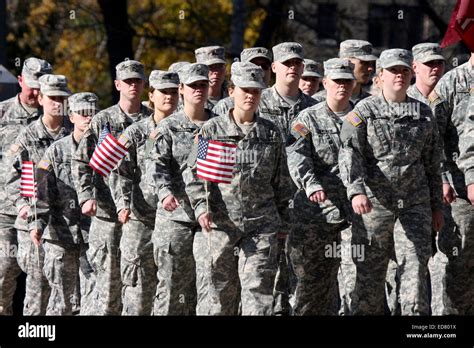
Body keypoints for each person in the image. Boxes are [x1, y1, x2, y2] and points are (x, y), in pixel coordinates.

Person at [339, 49, 443, 315]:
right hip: (375, 205)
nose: (400, 75)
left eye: (404, 70)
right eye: (394, 70)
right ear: (380, 75)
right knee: (370, 276)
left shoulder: (423, 113)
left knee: (416, 269)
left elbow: (432, 163)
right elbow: (350, 153)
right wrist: (356, 191)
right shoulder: (362, 112)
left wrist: (436, 207)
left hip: (414, 205)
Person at [184, 61, 293, 315]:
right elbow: (194, 174)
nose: (250, 96)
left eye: (256, 91)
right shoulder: (210, 130)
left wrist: (283, 223)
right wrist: (201, 207)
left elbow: (282, 182)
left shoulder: (272, 133)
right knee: (219, 298)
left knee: (258, 297)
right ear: (232, 91)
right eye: (245, 90)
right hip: (221, 227)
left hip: (261, 227)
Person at [72, 60, 151, 315]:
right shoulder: (103, 120)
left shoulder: (153, 120)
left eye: (137, 81)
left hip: (141, 217)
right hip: (107, 218)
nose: (133, 86)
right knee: (107, 293)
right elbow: (81, 160)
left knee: (139, 289)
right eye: (128, 81)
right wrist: (85, 196)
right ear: (117, 84)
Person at [287, 58, 355, 315]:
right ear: (325, 83)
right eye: (336, 81)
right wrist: (311, 184)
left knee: (355, 280)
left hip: (354, 215)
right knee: (312, 285)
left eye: (347, 81)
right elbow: (296, 155)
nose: (342, 86)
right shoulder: (307, 118)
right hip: (316, 214)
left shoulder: (362, 115)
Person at [110, 70, 180, 315]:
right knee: (138, 291)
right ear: (151, 95)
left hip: (176, 221)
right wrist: (122, 203)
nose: (169, 97)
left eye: (174, 91)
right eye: (163, 92)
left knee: (172, 290)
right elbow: (118, 171)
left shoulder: (188, 130)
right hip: (142, 220)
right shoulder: (136, 132)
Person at [146, 63, 214, 315]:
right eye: (192, 85)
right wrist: (164, 192)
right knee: (173, 288)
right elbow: (155, 164)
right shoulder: (168, 127)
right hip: (176, 217)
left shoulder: (218, 125)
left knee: (209, 288)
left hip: (211, 219)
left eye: (203, 85)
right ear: (182, 89)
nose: (198, 90)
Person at [5, 74, 73, 315]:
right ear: (42, 98)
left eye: (62, 98)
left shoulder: (74, 133)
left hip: (69, 225)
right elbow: (11, 175)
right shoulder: (28, 136)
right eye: (52, 98)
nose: (58, 103)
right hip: (35, 225)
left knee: (68, 294)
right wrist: (22, 204)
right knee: (38, 291)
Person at [30, 92, 98, 315]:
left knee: (94, 302)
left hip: (94, 238)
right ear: (71, 116)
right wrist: (37, 224)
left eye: (92, 114)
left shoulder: (104, 150)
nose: (88, 119)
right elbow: (41, 192)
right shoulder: (55, 151)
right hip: (61, 236)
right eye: (83, 114)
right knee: (62, 304)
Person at [0, 57, 52, 315]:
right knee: (5, 269)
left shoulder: (55, 116)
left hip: (44, 212)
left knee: (39, 274)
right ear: (20, 81)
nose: (36, 92)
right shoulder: (2, 114)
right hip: (7, 211)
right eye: (32, 85)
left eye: (42, 87)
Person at [429, 50, 474, 315]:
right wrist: (443, 178)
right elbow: (432, 139)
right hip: (459, 193)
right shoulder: (450, 83)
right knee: (461, 257)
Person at [213, 47, 273, 117]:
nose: (260, 69)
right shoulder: (225, 106)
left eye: (264, 66)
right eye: (253, 65)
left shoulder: (277, 99)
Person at [314, 40, 377, 105]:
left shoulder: (372, 102)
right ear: (347, 62)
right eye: (364, 63)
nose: (370, 68)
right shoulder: (317, 101)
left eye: (371, 63)